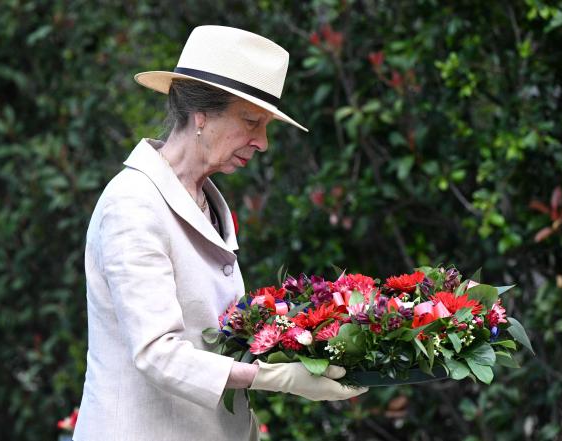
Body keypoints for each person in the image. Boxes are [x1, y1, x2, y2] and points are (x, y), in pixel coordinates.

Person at [73, 25, 367, 441]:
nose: (262, 142)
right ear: (201, 114)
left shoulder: (201, 197)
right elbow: (158, 352)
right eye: (251, 121)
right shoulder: (133, 203)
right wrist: (275, 377)